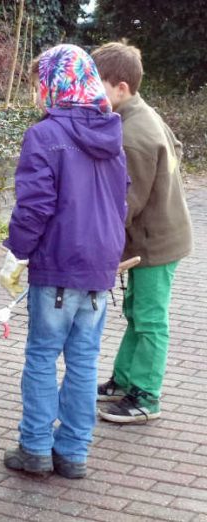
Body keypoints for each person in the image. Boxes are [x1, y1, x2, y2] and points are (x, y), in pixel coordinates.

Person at [0, 44, 128, 479]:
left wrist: (17, 252)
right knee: (84, 361)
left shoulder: (44, 135)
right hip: (98, 270)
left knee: (41, 356)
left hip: (57, 265)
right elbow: (118, 204)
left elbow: (34, 206)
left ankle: (34, 446)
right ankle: (73, 453)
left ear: (52, 83)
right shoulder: (114, 136)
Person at [92, 41, 193, 423]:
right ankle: (124, 380)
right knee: (137, 311)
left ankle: (146, 396)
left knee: (150, 319)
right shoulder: (140, 115)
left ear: (120, 87)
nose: (91, 92)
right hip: (158, 235)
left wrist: (101, 250)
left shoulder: (132, 133)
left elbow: (123, 204)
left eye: (97, 84)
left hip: (157, 243)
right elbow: (177, 147)